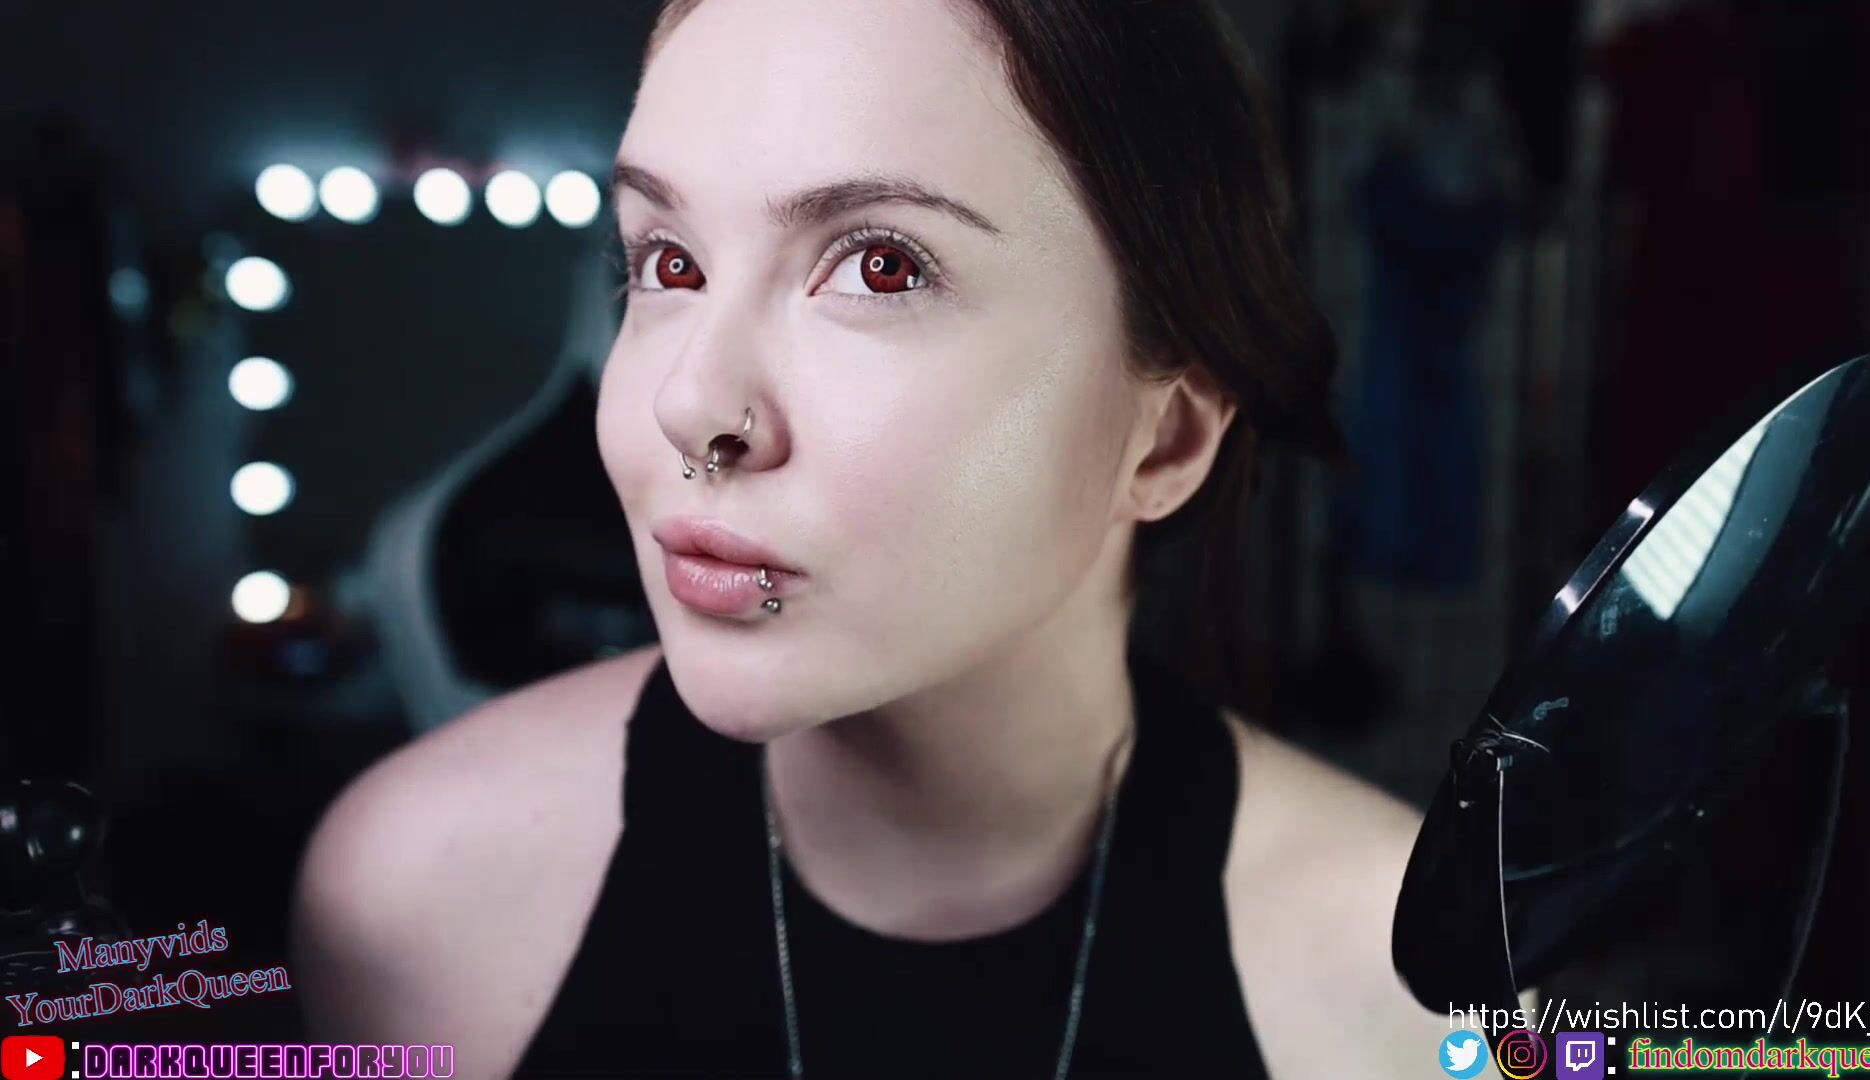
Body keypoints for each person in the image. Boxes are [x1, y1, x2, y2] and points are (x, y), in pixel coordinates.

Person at [291, 0, 1455, 1074]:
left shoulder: (1422, 1003)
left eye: (881, 267)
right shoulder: (415, 907)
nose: (691, 402)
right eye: (668, 263)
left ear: (1164, 443)